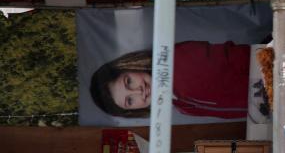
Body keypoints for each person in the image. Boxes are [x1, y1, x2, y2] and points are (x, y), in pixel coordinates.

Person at [89, 41, 251, 119]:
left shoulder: (179, 60)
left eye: (128, 81)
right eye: (130, 100)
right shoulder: (179, 105)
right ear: (133, 110)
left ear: (131, 66)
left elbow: (241, 57)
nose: (139, 91)